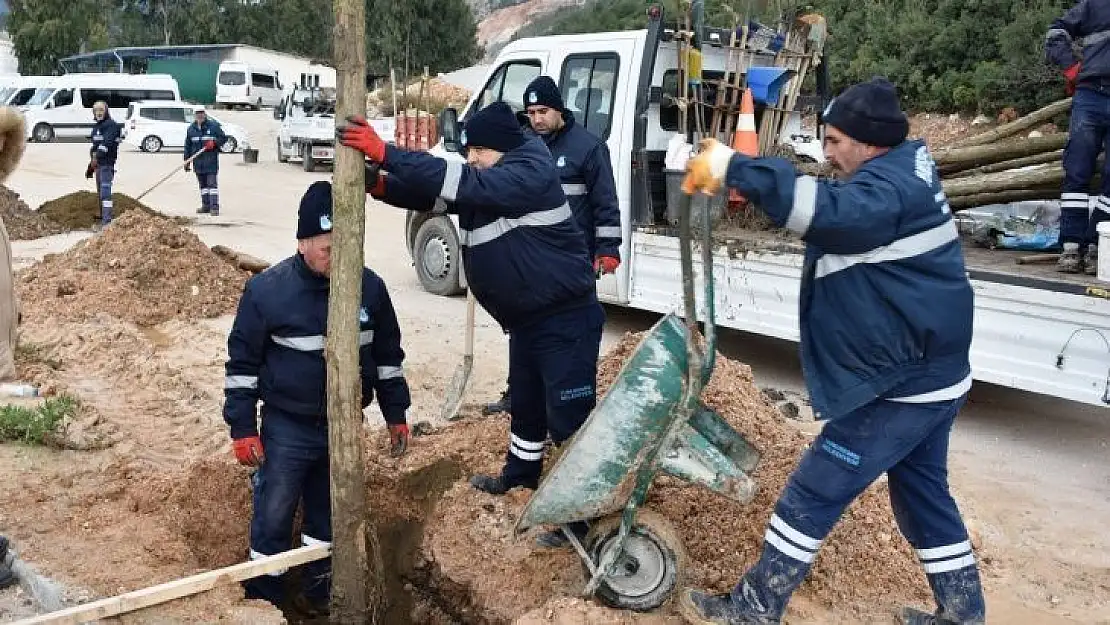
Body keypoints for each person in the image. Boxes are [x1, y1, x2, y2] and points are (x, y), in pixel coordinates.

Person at [677, 78, 986, 625]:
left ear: (870, 143)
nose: (827, 151)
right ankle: (963, 617)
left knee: (814, 491)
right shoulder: (901, 170)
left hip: (902, 383)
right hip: (931, 370)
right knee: (923, 498)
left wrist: (731, 166)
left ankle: (754, 608)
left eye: (837, 140)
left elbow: (826, 213)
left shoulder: (885, 195)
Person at [337, 101, 604, 547]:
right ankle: (520, 478)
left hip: (565, 319)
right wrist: (382, 184)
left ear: (498, 147)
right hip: (529, 322)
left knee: (569, 418)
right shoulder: (496, 178)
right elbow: (433, 195)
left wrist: (385, 152)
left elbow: (455, 180)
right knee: (528, 407)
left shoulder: (527, 171)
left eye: (477, 149)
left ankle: (585, 514)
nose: (471, 158)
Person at [222, 181, 412, 616]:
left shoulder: (372, 289)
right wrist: (243, 428)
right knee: (273, 515)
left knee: (329, 520)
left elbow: (387, 360)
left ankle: (320, 596)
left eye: (344, 245)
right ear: (303, 242)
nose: (336, 256)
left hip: (343, 430)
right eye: (327, 247)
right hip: (287, 427)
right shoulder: (268, 292)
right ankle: (266, 603)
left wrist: (396, 413)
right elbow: (242, 367)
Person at [481, 75, 623, 417]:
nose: (537, 119)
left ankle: (566, 404)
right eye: (530, 112)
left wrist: (608, 249)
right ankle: (519, 394)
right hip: (530, 259)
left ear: (558, 108)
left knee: (569, 335)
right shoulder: (525, 146)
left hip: (572, 261)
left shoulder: (588, 148)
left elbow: (606, 202)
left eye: (543, 110)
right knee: (524, 328)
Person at [1045, 0, 1110, 274]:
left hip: (1092, 97)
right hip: (1091, 94)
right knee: (1077, 171)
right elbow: (1055, 32)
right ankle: (1071, 246)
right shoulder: (1096, 5)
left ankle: (1098, 243)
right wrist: (1071, 67)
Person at [184, 106, 227, 216]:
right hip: (198, 163)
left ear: (205, 113)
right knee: (203, 186)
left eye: (201, 113)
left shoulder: (213, 126)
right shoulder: (191, 129)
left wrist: (215, 143)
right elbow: (187, 147)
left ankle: (214, 208)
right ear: (195, 115)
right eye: (198, 113)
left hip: (210, 161)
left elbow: (223, 138)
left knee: (212, 185)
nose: (200, 115)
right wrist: (187, 161)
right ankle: (206, 206)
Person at [86, 101, 121, 228]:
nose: (99, 112)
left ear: (106, 111)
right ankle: (103, 217)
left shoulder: (112, 126)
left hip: (107, 164)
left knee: (105, 192)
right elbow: (94, 147)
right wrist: (91, 165)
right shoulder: (96, 128)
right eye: (96, 110)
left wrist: (97, 157)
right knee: (100, 192)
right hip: (99, 165)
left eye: (101, 109)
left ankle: (107, 222)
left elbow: (106, 144)